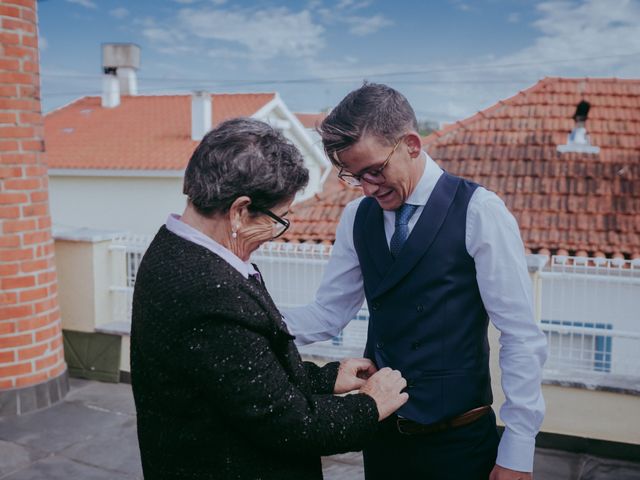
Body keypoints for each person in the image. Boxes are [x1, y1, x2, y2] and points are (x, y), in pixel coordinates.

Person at [283, 83, 548, 480]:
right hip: (383, 439)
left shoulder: (480, 210)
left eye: (375, 170)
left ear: (410, 143)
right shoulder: (356, 218)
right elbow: (327, 314)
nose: (369, 187)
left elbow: (520, 334)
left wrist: (518, 448)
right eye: (355, 176)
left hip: (459, 444)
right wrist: (249, 321)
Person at [130, 117, 409, 480]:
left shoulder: (173, 247)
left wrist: (325, 379)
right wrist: (369, 405)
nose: (277, 233)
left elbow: (242, 379)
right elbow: (291, 425)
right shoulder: (210, 292)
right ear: (240, 211)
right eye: (281, 218)